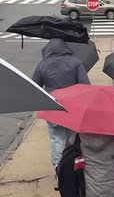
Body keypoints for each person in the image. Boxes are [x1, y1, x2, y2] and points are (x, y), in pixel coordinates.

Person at [32, 38, 90, 169]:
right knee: (72, 138)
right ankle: (73, 165)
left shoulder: (43, 64)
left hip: (52, 106)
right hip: (73, 106)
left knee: (56, 138)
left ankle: (59, 169)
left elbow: (35, 86)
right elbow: (85, 85)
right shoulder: (76, 62)